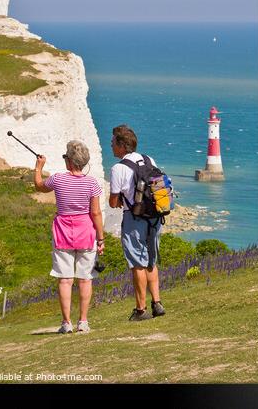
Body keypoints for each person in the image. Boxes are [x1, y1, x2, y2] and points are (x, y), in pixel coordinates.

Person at [34, 140, 105, 333]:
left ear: (70, 162)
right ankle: (83, 321)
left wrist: (39, 167)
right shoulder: (92, 183)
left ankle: (66, 323)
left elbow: (40, 186)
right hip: (86, 232)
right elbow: (96, 213)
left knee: (65, 280)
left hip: (63, 232)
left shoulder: (58, 179)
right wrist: (101, 238)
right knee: (85, 278)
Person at [109, 124, 166, 321]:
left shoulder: (118, 168)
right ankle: (157, 303)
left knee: (137, 264)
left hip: (134, 219)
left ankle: (141, 310)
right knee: (151, 260)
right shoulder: (149, 159)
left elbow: (113, 200)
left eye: (113, 142)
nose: (111, 146)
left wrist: (121, 201)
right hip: (155, 218)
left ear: (122, 146)